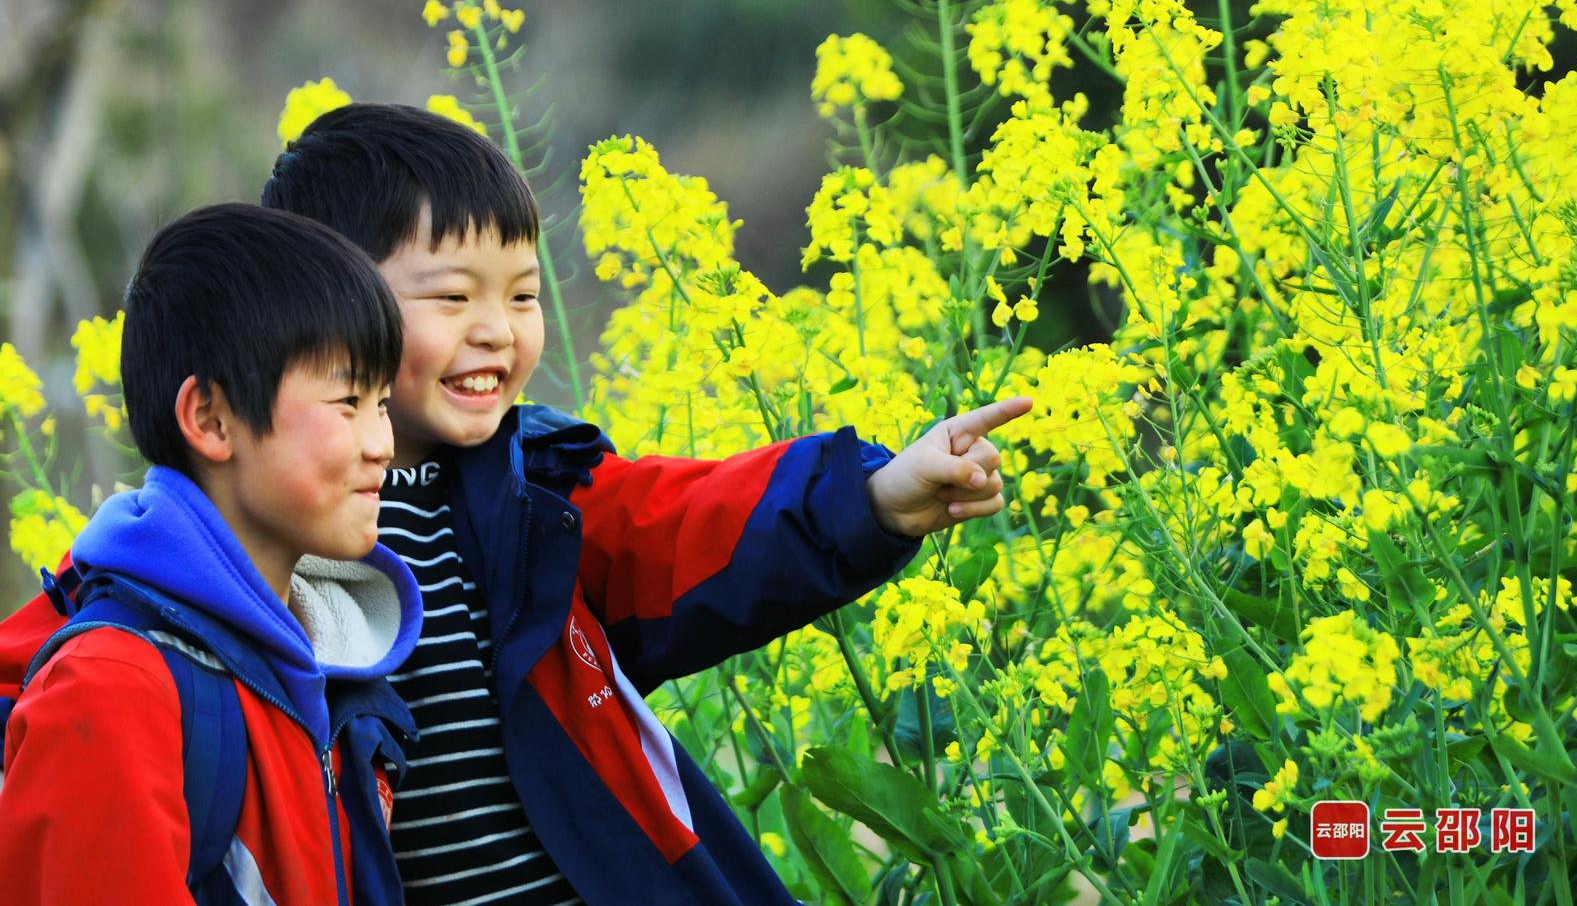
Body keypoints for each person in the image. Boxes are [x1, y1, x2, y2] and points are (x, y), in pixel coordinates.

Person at [262, 103, 1030, 905]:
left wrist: (870, 499)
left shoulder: (542, 493)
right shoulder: (284, 534)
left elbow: (697, 523)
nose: (498, 331)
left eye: (523, 297)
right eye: (454, 298)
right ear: (332, 304)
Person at [0, 204, 423, 904]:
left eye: (382, 402)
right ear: (210, 418)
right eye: (348, 399)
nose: (383, 442)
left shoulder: (331, 659)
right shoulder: (111, 689)